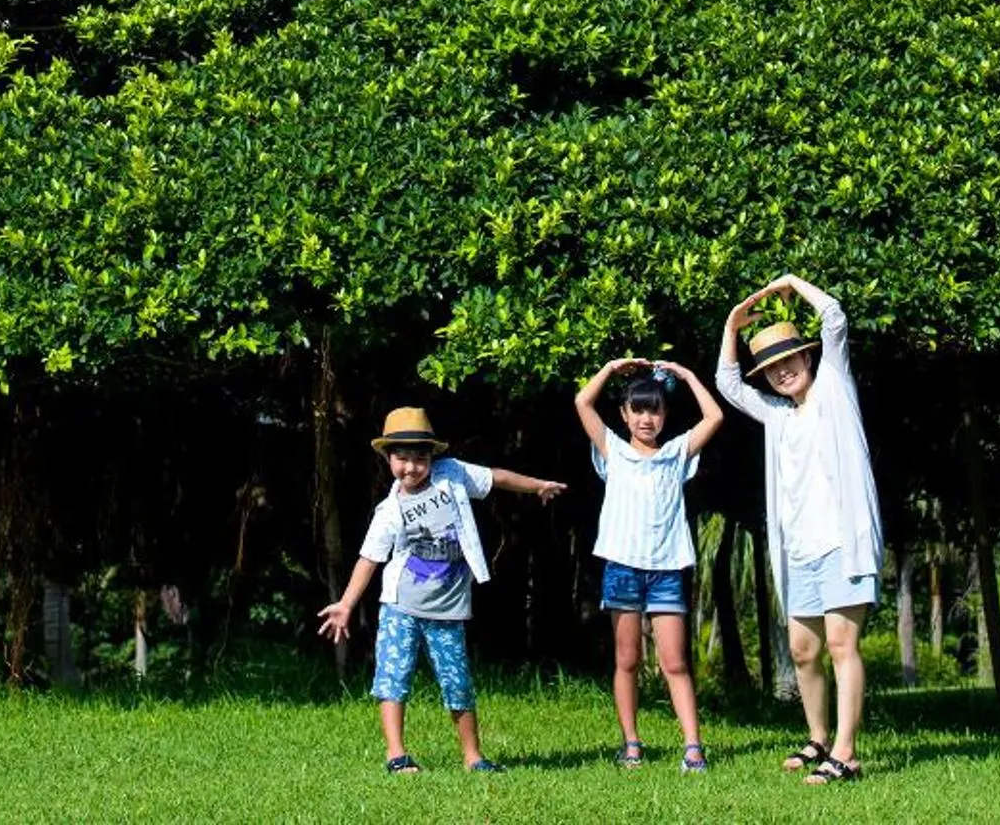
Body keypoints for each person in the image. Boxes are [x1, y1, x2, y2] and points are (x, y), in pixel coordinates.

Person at [316, 404, 564, 774]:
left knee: (457, 682)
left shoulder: (452, 475)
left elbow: (495, 477)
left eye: (420, 458)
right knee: (393, 677)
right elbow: (369, 559)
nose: (411, 467)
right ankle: (396, 754)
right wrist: (347, 604)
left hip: (448, 609)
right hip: (400, 606)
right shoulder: (389, 510)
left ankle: (473, 757)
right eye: (402, 458)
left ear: (433, 456)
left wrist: (537, 486)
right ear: (388, 458)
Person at [717, 272, 884, 784]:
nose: (782, 371)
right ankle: (818, 738)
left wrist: (790, 282)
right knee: (802, 651)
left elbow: (834, 317)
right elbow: (727, 383)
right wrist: (732, 325)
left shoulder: (835, 387)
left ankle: (845, 753)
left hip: (843, 544)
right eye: (771, 368)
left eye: (789, 360)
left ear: (807, 358)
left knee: (840, 645)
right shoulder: (777, 416)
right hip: (800, 551)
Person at [573, 355, 727, 770]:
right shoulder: (614, 451)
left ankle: (693, 747)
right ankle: (631, 744)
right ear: (624, 415)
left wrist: (687, 375)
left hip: (667, 570)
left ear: (664, 415)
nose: (646, 418)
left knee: (674, 662)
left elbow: (714, 416)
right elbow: (582, 403)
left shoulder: (676, 453)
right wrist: (610, 369)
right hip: (622, 567)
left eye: (654, 410)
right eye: (637, 410)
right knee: (627, 660)